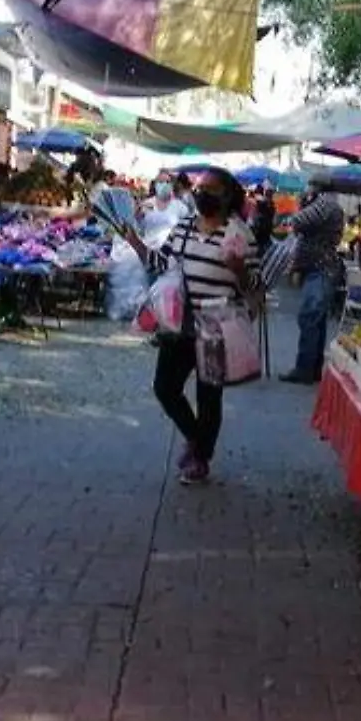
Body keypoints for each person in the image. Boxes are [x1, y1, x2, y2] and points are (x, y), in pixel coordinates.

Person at [119, 168, 261, 485]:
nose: (201, 193)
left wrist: (238, 270)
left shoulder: (240, 235)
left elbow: (254, 289)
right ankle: (198, 441)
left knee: (209, 397)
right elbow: (162, 264)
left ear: (226, 196)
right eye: (199, 188)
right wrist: (137, 245)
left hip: (217, 326)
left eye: (210, 189)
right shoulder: (183, 227)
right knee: (165, 388)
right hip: (179, 322)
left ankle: (200, 460)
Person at [280, 189, 347, 384]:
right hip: (322, 268)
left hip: (321, 269)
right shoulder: (329, 204)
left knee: (309, 317)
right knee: (316, 319)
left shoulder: (324, 204)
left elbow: (298, 221)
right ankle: (312, 368)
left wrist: (302, 203)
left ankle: (305, 369)